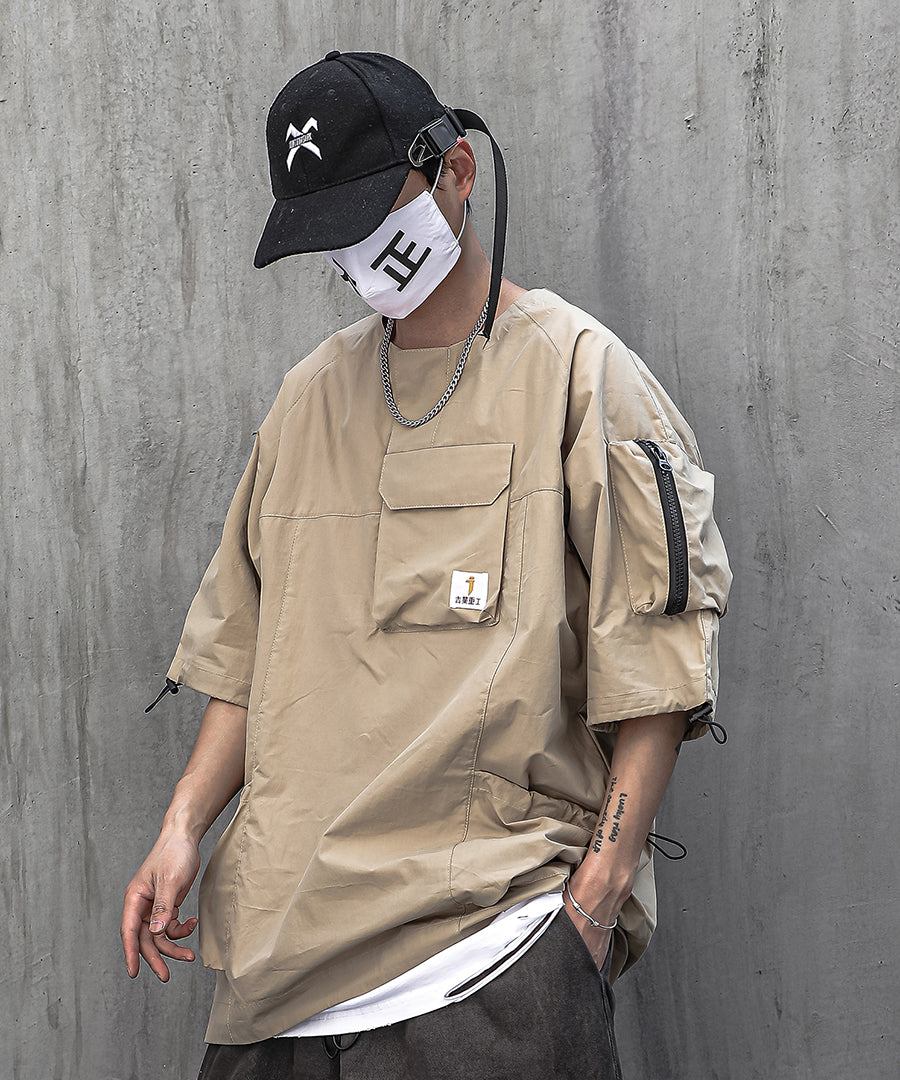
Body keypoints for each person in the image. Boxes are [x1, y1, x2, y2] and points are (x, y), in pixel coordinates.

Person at [121, 51, 732, 1079]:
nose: (360, 253)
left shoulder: (580, 374)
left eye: (374, 213)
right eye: (332, 232)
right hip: (277, 977)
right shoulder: (306, 402)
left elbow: (659, 669)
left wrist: (591, 906)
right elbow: (246, 654)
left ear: (458, 171)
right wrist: (183, 826)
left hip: (484, 967)